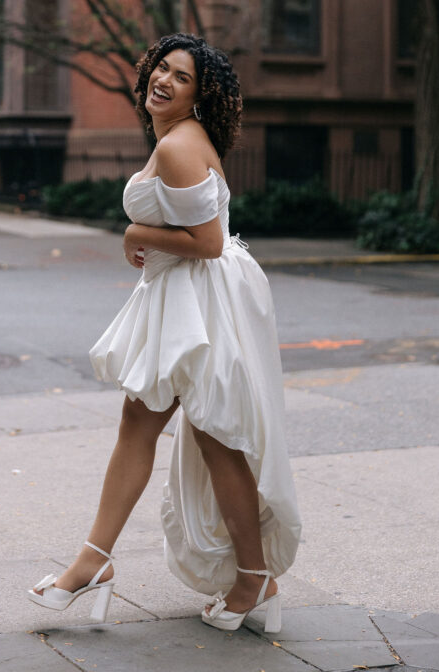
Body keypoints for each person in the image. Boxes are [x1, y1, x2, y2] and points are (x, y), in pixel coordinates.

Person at [28, 33, 301, 632]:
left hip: (199, 299)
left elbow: (205, 243)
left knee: (207, 436)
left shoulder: (179, 145)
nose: (165, 79)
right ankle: (244, 578)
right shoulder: (179, 139)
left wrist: (136, 236)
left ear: (198, 96)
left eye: (182, 77)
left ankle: (244, 578)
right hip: (193, 296)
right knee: (185, 432)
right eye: (162, 67)